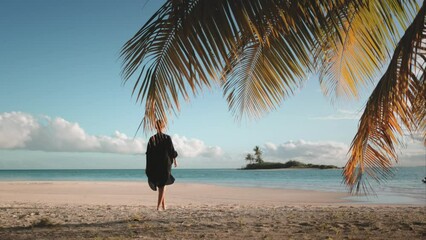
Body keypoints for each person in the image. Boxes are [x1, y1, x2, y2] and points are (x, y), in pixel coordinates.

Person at [145, 120, 178, 210]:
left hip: (156, 164)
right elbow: (172, 151)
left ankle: (163, 205)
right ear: (163, 126)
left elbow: (148, 154)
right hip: (165, 164)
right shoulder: (166, 138)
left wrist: (148, 167)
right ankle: (158, 207)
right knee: (162, 185)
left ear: (155, 127)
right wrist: (175, 160)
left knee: (162, 185)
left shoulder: (152, 138)